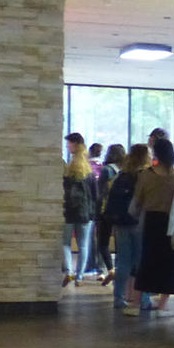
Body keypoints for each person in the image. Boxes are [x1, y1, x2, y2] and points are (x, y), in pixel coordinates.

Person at [131, 136, 174, 313]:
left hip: (150, 221)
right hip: (173, 223)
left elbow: (137, 200)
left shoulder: (146, 175)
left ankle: (136, 303)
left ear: (156, 154)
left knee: (146, 261)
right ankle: (162, 306)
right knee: (170, 263)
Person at [106, 143, 147, 313]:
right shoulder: (145, 176)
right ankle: (142, 299)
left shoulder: (121, 175)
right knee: (140, 262)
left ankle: (118, 298)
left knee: (123, 261)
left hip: (121, 222)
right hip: (139, 223)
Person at [61, 133, 95, 286]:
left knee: (65, 243)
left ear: (75, 145)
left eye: (69, 144)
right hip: (85, 213)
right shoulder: (89, 171)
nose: (68, 147)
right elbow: (95, 195)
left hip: (69, 211)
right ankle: (79, 277)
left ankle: (69, 271)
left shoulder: (67, 170)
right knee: (83, 245)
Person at [87, 142, 113, 282]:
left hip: (93, 207)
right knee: (102, 240)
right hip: (106, 208)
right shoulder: (104, 168)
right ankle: (101, 268)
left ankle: (91, 266)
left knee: (91, 238)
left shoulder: (87, 167)